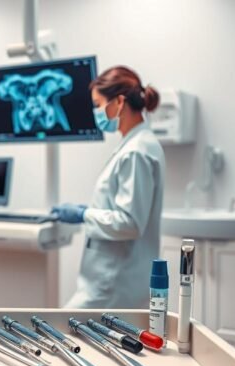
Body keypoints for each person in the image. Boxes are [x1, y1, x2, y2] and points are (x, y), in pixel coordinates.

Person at [52, 66, 165, 310]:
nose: (96, 112)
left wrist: (84, 214)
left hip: (114, 281)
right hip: (111, 277)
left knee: (61, 330)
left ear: (119, 102)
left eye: (98, 104)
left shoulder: (137, 151)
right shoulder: (136, 144)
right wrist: (89, 212)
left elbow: (130, 222)